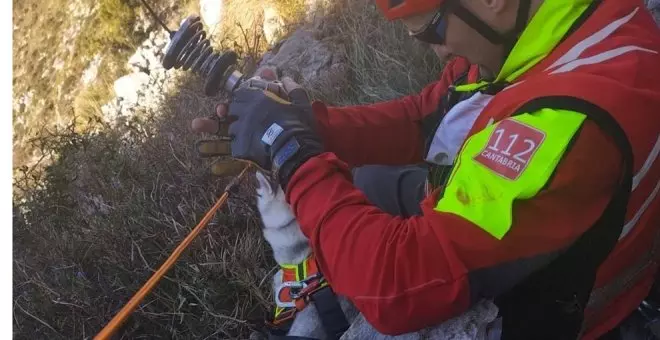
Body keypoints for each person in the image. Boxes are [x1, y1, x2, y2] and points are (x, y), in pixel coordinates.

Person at [192, 0, 660, 339]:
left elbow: (395, 283)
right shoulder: (542, 28)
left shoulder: (568, 126)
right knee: (367, 181)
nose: (437, 52)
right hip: (553, 234)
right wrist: (313, 126)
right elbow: (430, 114)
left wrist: (292, 156)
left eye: (430, 31)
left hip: (562, 310)